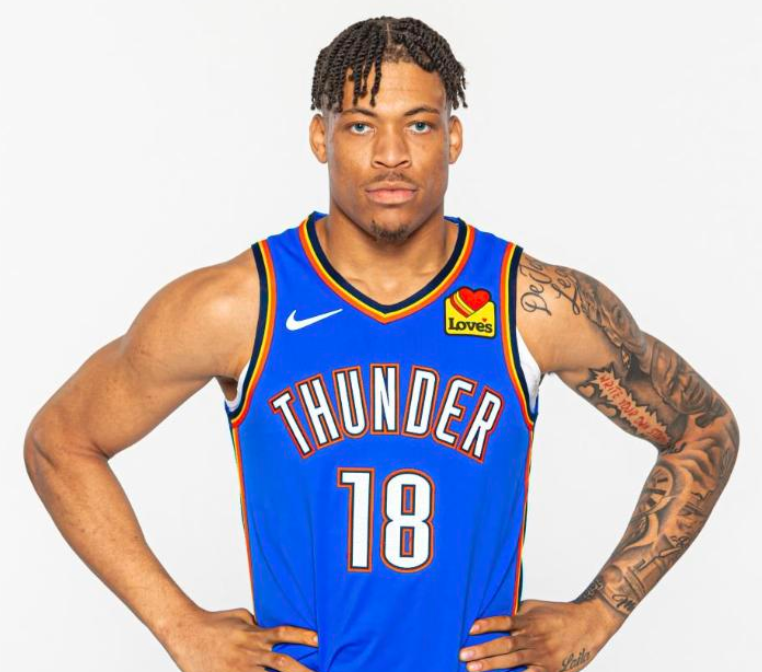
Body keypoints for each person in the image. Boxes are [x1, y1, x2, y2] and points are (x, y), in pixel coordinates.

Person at [24, 15, 739, 672]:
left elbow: (703, 429)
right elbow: (61, 442)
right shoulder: (242, 305)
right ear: (320, 138)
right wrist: (178, 626)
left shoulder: (532, 304)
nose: (391, 155)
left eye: (419, 125)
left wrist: (601, 612)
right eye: (362, 126)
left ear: (453, 138)